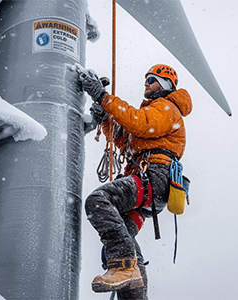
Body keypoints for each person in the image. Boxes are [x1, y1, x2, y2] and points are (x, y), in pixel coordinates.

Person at [76, 64, 192, 293]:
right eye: (146, 79)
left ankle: (124, 266)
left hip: (153, 178)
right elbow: (127, 141)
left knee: (99, 201)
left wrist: (102, 96)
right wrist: (107, 119)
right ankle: (133, 285)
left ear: (166, 84)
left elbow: (139, 124)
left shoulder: (166, 107)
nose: (146, 83)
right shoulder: (157, 113)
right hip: (152, 184)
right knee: (123, 238)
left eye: (152, 79)